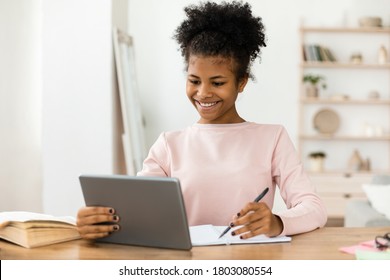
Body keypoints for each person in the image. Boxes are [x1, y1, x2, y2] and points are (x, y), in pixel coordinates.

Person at [77, 1, 327, 240]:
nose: (203, 92)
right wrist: (99, 219)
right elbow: (136, 210)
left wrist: (276, 222)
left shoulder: (272, 138)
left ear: (241, 83)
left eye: (217, 83)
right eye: (194, 80)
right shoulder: (169, 144)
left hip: (250, 259)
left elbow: (313, 208)